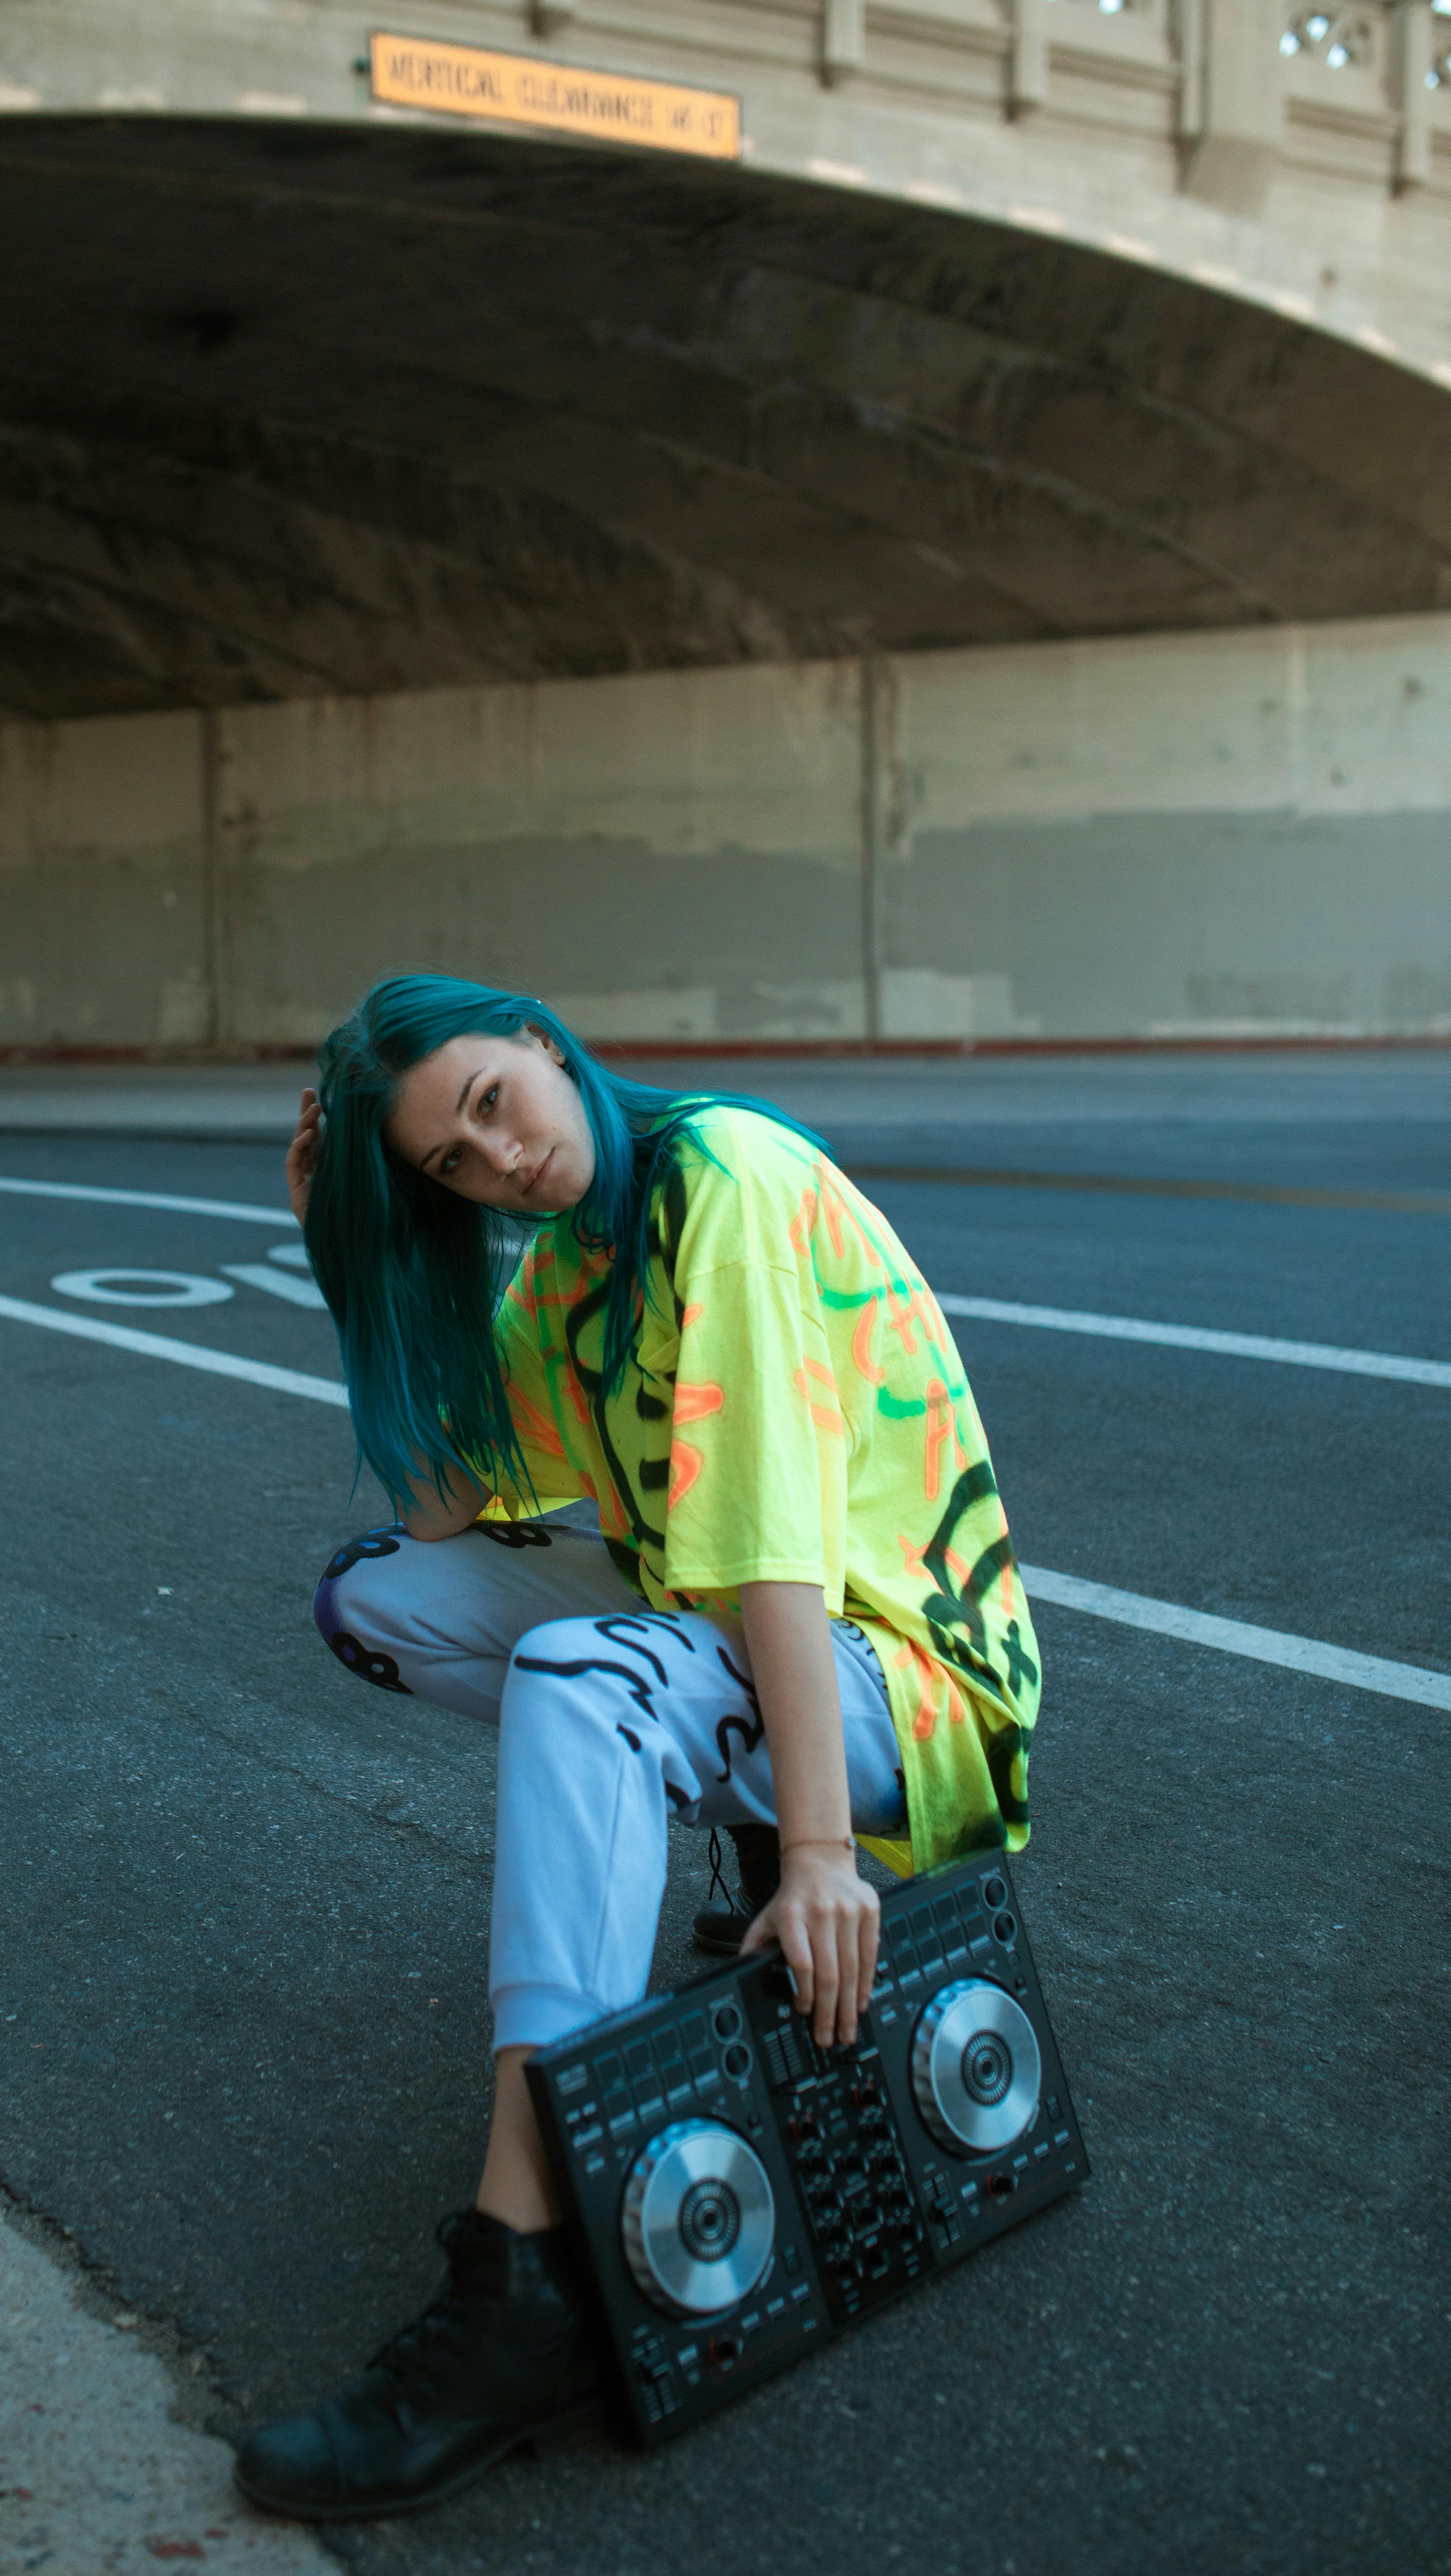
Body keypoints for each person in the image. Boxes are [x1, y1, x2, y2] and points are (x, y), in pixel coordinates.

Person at [234, 975, 1040, 2525]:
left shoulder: (721, 1179)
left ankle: (524, 2277)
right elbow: (446, 1511)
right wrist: (350, 1259)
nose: (502, 1164)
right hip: (754, 1625)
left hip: (910, 1671)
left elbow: (776, 1546)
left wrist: (818, 1856)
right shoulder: (566, 1264)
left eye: (492, 1105)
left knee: (582, 1673)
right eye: (452, 1171)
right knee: (371, 1602)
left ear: (541, 1041)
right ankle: (713, 1795)